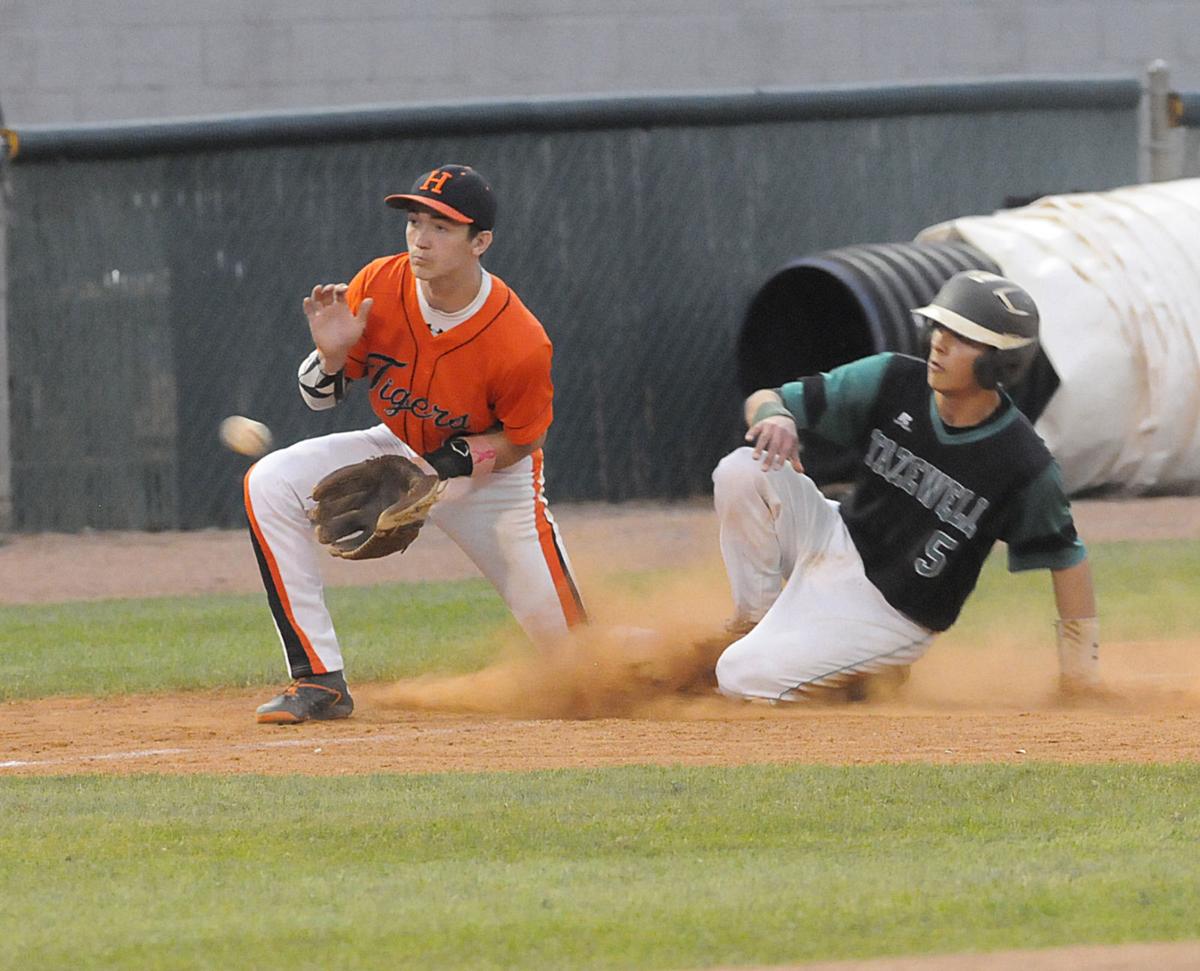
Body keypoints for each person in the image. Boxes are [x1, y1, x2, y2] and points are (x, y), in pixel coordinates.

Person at [246, 164, 586, 724]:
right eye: (414, 221)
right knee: (270, 481)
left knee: (585, 671)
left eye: (442, 227)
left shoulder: (519, 341)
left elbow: (526, 438)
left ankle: (673, 654)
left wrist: (448, 468)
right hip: (400, 446)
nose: (420, 239)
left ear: (482, 242)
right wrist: (331, 357)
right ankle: (319, 682)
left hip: (494, 482)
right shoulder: (379, 285)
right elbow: (319, 398)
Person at [710, 270, 1099, 701]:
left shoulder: (1022, 463)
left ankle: (864, 681)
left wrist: (1079, 678)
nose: (940, 343)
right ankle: (756, 623)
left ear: (999, 363)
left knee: (737, 676)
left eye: (962, 337)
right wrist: (774, 416)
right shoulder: (893, 379)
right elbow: (766, 398)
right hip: (834, 537)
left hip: (889, 615)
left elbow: (1068, 560)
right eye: (940, 328)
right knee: (742, 470)